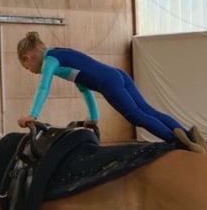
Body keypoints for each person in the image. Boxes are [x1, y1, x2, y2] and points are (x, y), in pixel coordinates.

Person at [16, 31, 190, 144]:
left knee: (136, 116)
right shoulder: (60, 53)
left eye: (27, 68)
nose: (31, 71)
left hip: (109, 82)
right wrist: (93, 116)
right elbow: (83, 86)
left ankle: (177, 142)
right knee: (147, 110)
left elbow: (43, 88)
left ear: (28, 57)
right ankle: (187, 135)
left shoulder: (49, 62)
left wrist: (33, 115)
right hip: (119, 74)